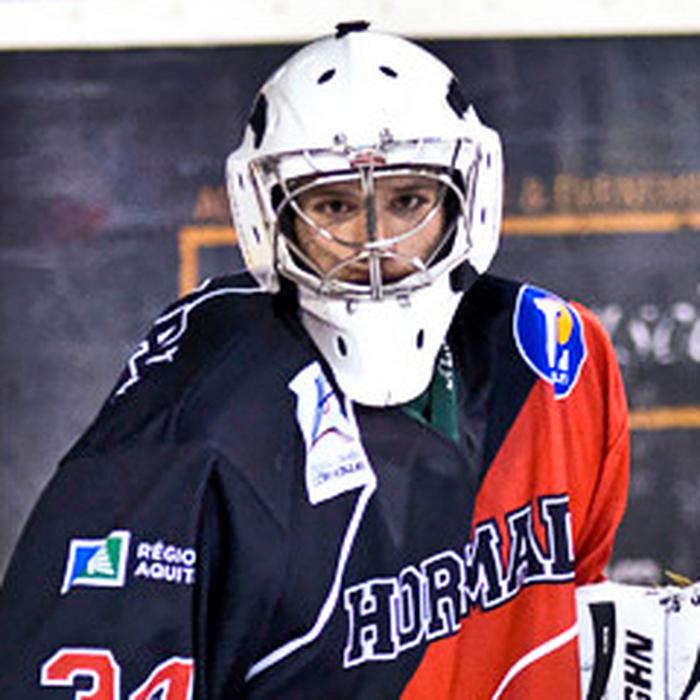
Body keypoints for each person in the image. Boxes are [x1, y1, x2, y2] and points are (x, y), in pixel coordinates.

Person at [0, 22, 629, 699]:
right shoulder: (199, 426)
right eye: (333, 204)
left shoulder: (552, 363)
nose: (374, 243)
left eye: (408, 201)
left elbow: (578, 604)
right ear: (271, 217)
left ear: (464, 201)